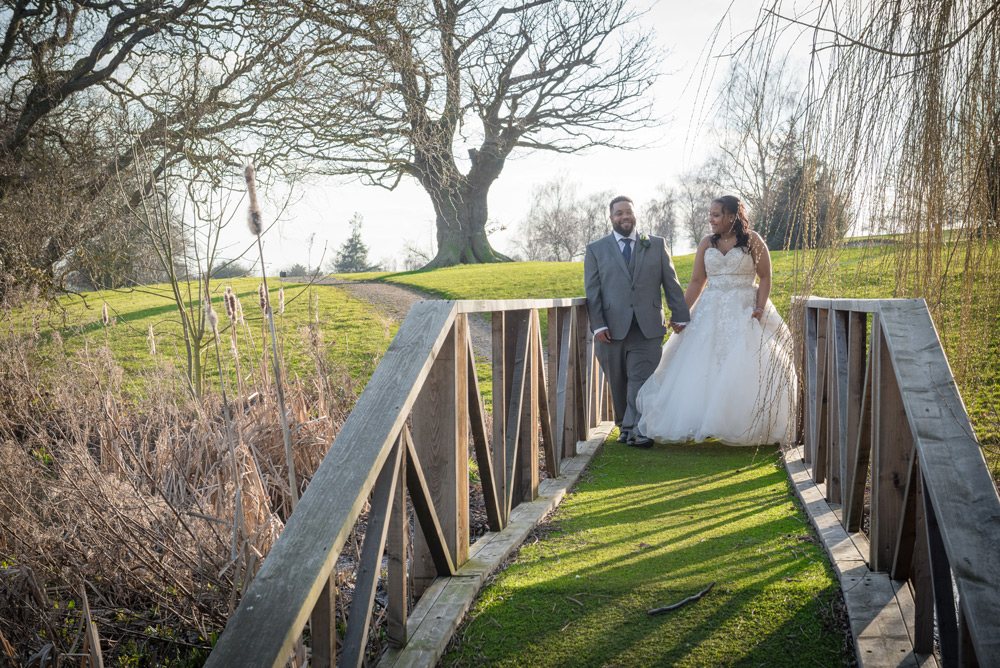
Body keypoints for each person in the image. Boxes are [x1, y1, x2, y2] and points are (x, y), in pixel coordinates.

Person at [635, 195, 797, 446]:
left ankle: (741, 423)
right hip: (709, 310)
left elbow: (765, 277)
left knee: (742, 364)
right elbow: (698, 282)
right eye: (710, 214)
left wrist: (759, 307)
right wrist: (682, 313)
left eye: (716, 214)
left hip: (744, 309)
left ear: (732, 215)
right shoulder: (706, 243)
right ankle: (704, 422)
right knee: (702, 364)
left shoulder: (753, 240)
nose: (710, 219)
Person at [584, 195, 690, 449]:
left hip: (648, 327)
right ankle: (624, 425)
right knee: (618, 381)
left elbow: (671, 283)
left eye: (628, 212)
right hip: (611, 329)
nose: (624, 217)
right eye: (619, 213)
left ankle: (637, 430)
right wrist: (598, 325)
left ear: (635, 214)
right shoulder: (596, 249)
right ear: (611, 218)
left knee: (640, 380)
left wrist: (681, 315)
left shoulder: (655, 244)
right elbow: (593, 291)